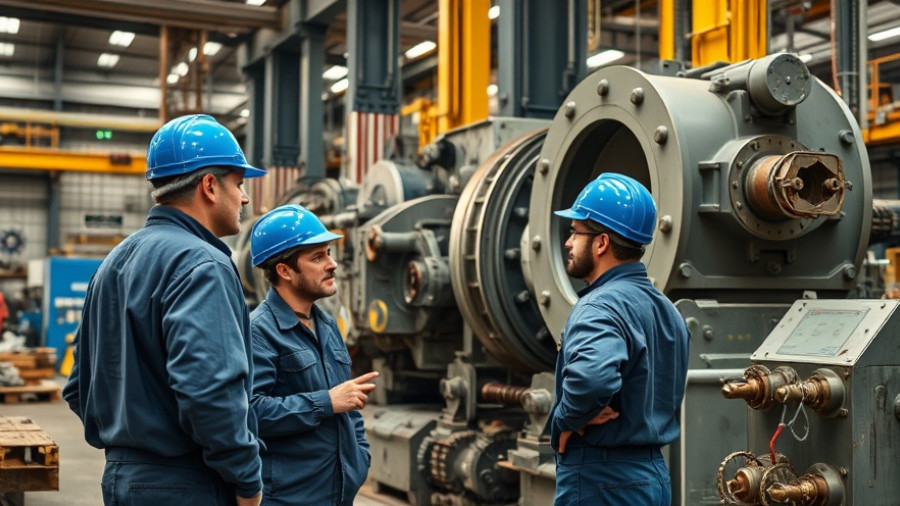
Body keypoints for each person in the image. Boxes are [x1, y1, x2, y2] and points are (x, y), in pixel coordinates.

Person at [62, 114, 266, 506]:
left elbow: (77, 386)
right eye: (239, 184)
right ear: (209, 185)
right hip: (186, 483)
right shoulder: (203, 263)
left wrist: (131, 438)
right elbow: (210, 389)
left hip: (122, 478)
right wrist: (247, 480)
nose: (244, 198)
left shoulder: (112, 262)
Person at [549, 172, 690, 505]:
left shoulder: (598, 306)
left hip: (601, 478)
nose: (568, 242)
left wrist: (567, 419)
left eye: (575, 232)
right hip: (652, 475)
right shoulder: (666, 310)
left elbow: (592, 380)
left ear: (601, 243)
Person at [248, 204, 378, 505]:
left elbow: (348, 405)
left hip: (337, 494)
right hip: (289, 497)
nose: (331, 264)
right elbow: (251, 413)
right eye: (317, 257)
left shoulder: (327, 325)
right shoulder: (260, 332)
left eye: (329, 253)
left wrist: (360, 459)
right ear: (285, 271)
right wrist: (326, 402)